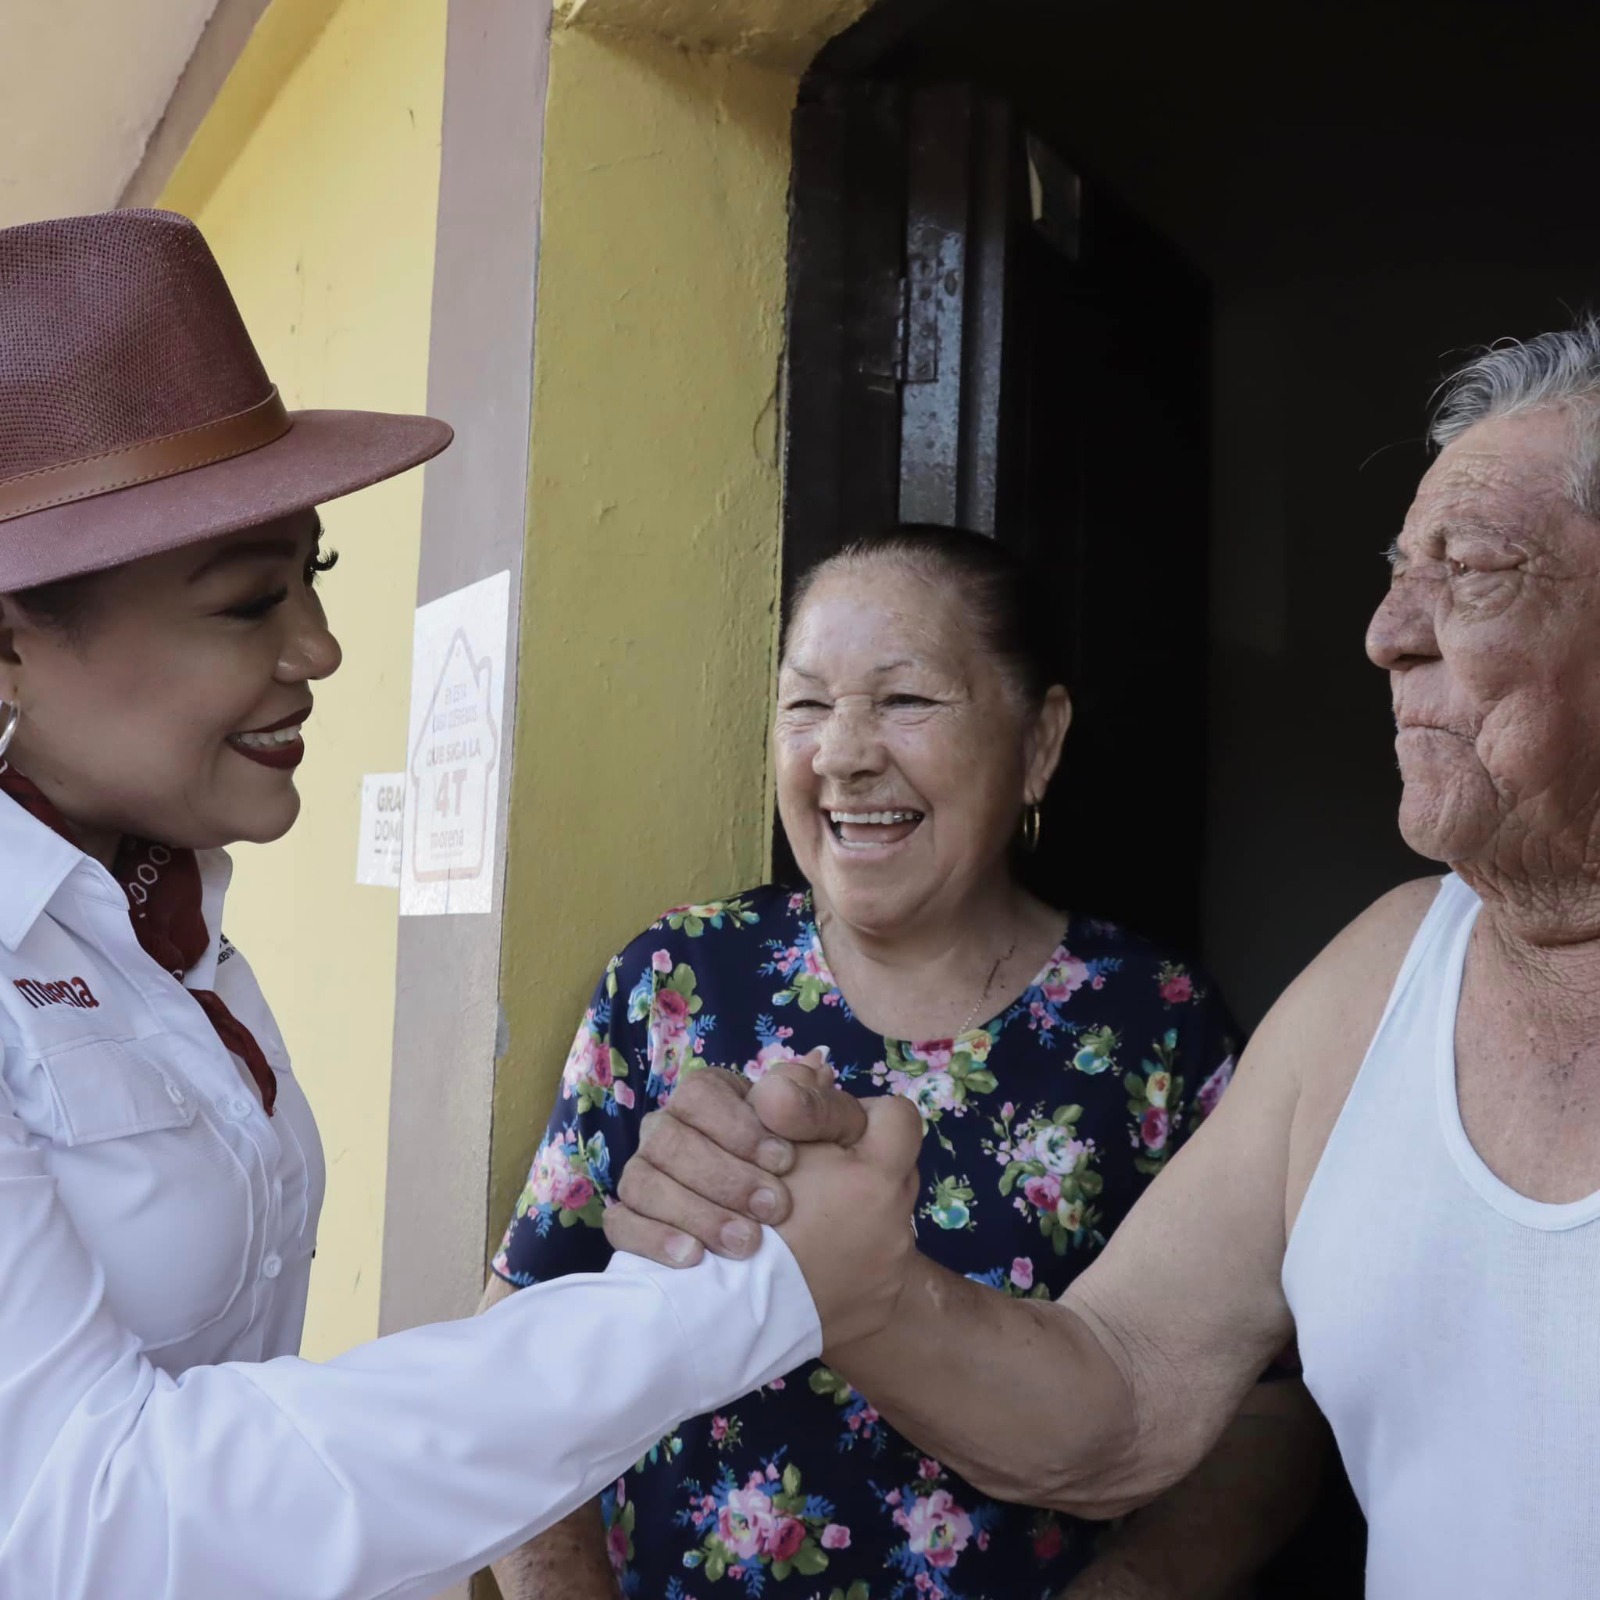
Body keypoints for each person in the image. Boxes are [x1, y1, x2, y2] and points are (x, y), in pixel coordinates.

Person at [0, 207, 918, 1600]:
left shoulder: (146, 920)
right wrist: (748, 1298)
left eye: (314, 577)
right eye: (248, 603)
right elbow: (92, 1514)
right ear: (9, 646)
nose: (320, 645)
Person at [609, 320, 1600, 1599]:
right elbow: (1125, 1391)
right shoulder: (1384, 974)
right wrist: (852, 1277)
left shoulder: (1150, 1012)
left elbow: (1261, 1429)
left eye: (1466, 570)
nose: (1382, 632)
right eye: (1393, 572)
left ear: (1039, 744)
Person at [481, 527, 1325, 1599]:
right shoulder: (677, 983)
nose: (841, 752)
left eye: (904, 700)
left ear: (1039, 739)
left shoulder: (1152, 1022)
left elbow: (1269, 1404)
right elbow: (524, 1332)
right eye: (805, 704)